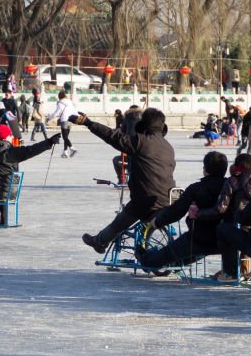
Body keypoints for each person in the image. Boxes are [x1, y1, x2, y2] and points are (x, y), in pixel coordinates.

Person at [72, 108, 177, 255]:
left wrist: (88, 123)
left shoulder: (141, 142)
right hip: (169, 200)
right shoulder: (168, 147)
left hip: (146, 201)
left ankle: (100, 241)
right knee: (135, 210)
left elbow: (112, 136)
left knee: (121, 221)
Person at [138, 150, 229, 270]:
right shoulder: (231, 186)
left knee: (157, 258)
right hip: (224, 239)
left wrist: (158, 222)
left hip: (199, 238)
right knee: (185, 253)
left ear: (205, 169)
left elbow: (176, 211)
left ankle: (146, 259)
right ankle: (173, 263)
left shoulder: (196, 188)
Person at [211, 154, 251, 281]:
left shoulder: (232, 180)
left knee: (225, 229)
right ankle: (247, 270)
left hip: (239, 221)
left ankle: (230, 272)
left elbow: (221, 207)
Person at [46, 91, 78, 157]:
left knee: (65, 137)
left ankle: (72, 148)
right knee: (66, 137)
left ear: (59, 97)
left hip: (64, 120)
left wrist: (49, 117)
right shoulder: (70, 102)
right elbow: (75, 111)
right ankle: (65, 152)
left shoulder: (60, 103)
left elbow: (57, 112)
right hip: (70, 120)